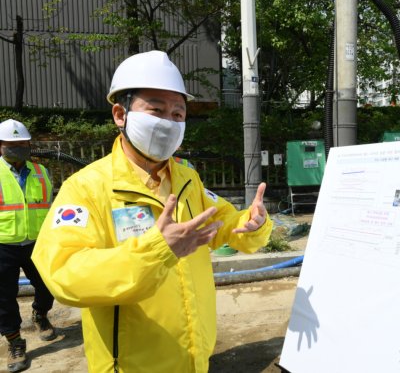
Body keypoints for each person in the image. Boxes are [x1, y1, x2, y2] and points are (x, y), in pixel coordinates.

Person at [31, 50, 273, 373]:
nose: (168, 123)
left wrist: (253, 223)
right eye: (156, 110)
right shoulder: (88, 188)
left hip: (194, 360)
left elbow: (226, 224)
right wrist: (157, 251)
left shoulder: (188, 179)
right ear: (120, 114)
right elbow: (63, 272)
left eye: (177, 114)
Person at [0, 119, 56, 373]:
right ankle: (14, 341)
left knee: (49, 284)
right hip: (3, 244)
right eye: (11, 144)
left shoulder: (41, 172)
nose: (17, 148)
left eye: (22, 143)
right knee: (4, 298)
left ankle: (40, 314)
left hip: (37, 242)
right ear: (1, 146)